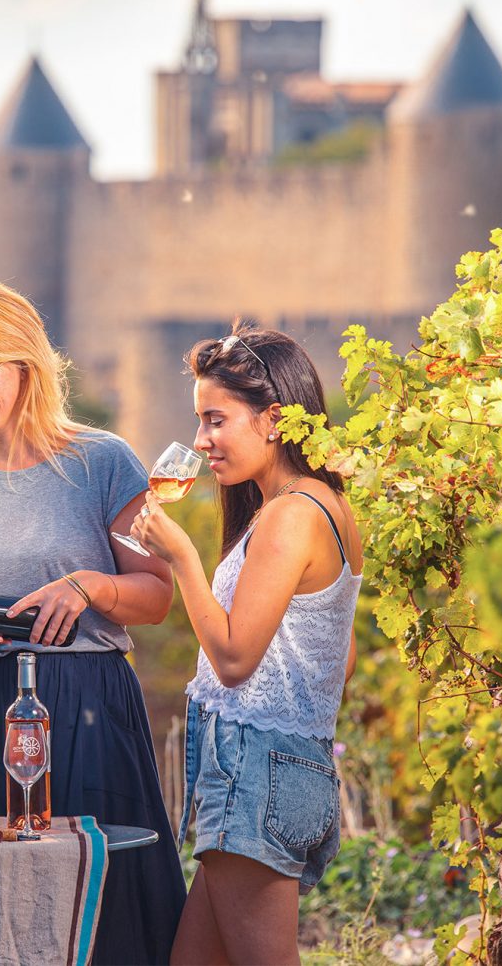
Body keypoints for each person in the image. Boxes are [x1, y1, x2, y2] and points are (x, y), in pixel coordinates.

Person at [0, 280, 188, 965]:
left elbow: (154, 596)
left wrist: (89, 587)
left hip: (87, 706)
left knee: (102, 902)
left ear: (23, 365)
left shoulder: (103, 462)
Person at [129, 323, 363, 966]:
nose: (201, 442)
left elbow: (233, 661)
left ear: (273, 420)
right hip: (282, 763)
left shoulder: (292, 515)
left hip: (255, 766)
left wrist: (182, 559)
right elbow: (335, 657)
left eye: (215, 420)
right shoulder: (323, 505)